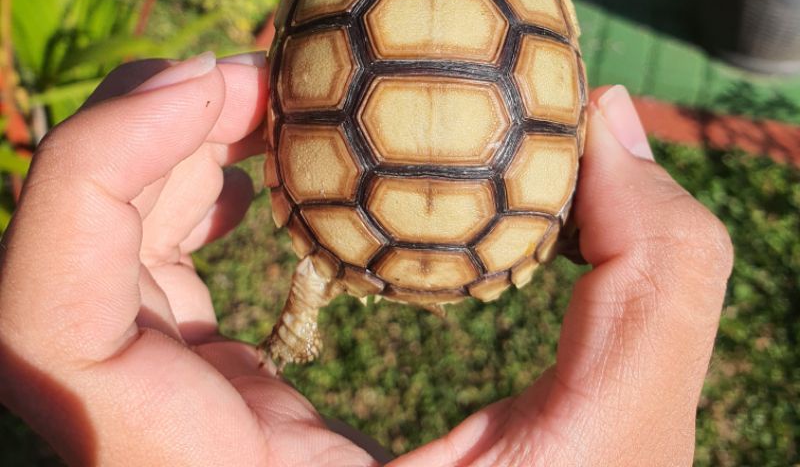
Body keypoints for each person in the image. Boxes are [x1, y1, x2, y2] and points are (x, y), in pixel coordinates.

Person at [0, 51, 733, 466]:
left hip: (362, 216)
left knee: (321, 251)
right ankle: (314, 292)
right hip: (494, 220)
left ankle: (309, 298)